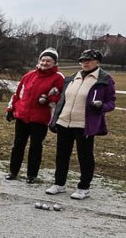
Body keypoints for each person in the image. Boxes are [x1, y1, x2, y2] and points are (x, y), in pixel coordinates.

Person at [45, 48, 116, 200]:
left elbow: (111, 102)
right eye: (83, 60)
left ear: (97, 62)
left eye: (89, 60)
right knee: (61, 155)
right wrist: (55, 116)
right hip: (64, 121)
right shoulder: (72, 78)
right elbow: (63, 100)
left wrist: (101, 106)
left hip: (84, 124)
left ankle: (84, 187)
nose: (86, 63)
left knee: (85, 156)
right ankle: (59, 183)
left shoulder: (104, 80)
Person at [5, 47, 64, 184]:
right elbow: (18, 93)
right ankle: (13, 171)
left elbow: (59, 97)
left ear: (54, 63)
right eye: (43, 60)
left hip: (40, 118)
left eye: (48, 61)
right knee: (18, 145)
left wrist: (48, 100)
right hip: (22, 115)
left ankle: (32, 174)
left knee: (35, 146)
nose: (44, 63)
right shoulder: (29, 75)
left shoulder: (58, 78)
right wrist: (10, 108)